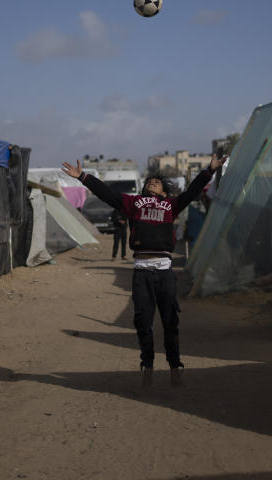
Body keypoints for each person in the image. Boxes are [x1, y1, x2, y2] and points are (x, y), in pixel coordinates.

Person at [62, 155, 227, 387]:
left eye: (156, 182)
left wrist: (209, 171)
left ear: (163, 193)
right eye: (148, 181)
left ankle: (173, 365)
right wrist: (83, 177)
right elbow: (106, 194)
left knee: (170, 322)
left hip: (164, 271)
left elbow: (192, 191)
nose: (151, 183)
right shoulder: (132, 204)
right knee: (142, 322)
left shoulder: (171, 206)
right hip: (141, 271)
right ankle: (147, 364)